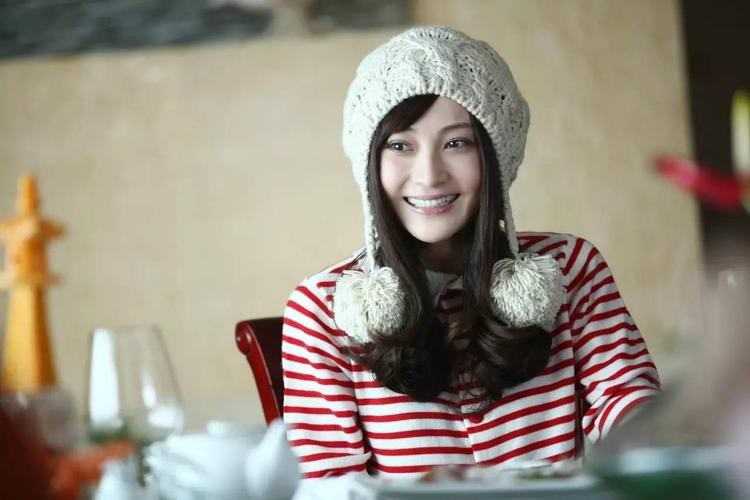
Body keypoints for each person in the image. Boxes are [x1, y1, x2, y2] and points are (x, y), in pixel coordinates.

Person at [281, 26, 660, 479]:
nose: (429, 176)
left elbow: (632, 411)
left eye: (457, 143)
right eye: (400, 145)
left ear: (496, 158)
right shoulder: (322, 309)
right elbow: (329, 485)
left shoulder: (570, 268)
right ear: (369, 164)